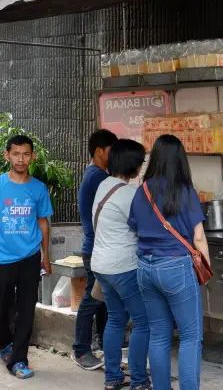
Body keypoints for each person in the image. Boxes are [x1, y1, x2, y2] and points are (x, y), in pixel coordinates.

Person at [129, 135, 210, 390]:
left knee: (159, 335)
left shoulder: (141, 190)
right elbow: (198, 237)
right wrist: (206, 267)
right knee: (190, 337)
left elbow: (134, 227)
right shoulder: (185, 192)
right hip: (176, 268)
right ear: (180, 160)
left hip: (145, 268)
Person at [91, 139, 151, 390]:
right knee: (143, 322)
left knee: (116, 319)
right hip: (122, 267)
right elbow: (146, 228)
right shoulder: (129, 193)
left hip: (101, 265)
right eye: (141, 162)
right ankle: (138, 380)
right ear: (133, 165)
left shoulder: (104, 185)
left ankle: (113, 377)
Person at [0, 135, 54, 379]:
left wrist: (46, 256)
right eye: (16, 154)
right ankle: (5, 344)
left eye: (26, 154)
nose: (21, 159)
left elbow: (43, 222)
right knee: (2, 308)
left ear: (32, 156)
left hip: (30, 257)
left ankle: (18, 359)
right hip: (2, 259)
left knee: (26, 309)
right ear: (7, 156)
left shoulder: (38, 188)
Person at [73, 129, 118, 370]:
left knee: (103, 299)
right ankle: (80, 350)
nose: (114, 158)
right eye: (111, 152)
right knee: (92, 299)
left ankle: (103, 345)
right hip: (96, 249)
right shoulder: (97, 177)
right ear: (99, 151)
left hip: (99, 248)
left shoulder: (98, 175)